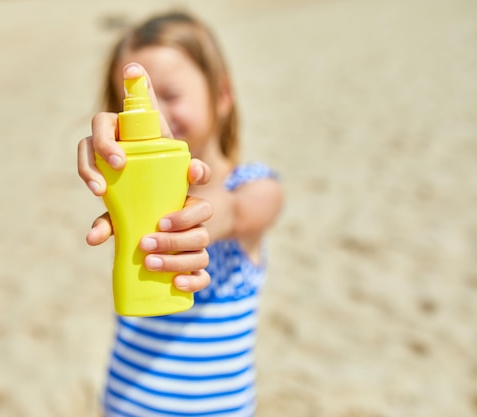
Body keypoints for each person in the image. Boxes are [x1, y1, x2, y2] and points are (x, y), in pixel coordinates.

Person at [77, 11, 284, 417]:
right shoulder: (133, 197)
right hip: (124, 405)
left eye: (169, 95)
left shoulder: (255, 188)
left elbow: (229, 212)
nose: (156, 115)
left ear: (222, 95)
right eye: (129, 106)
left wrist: (186, 219)